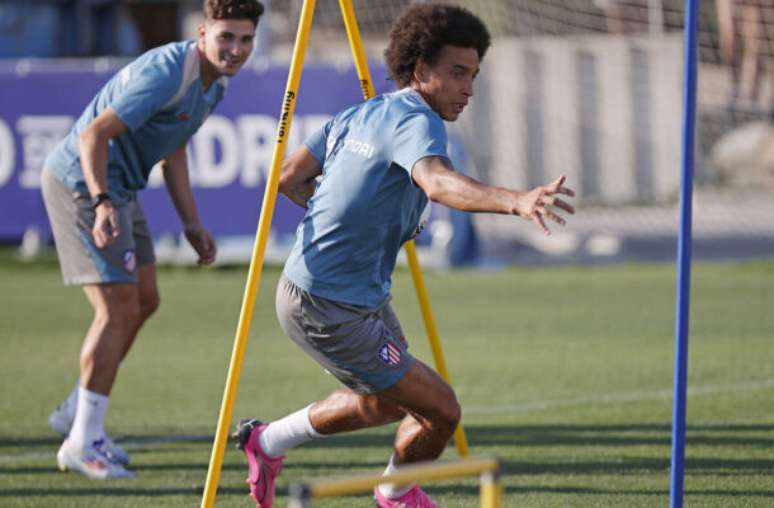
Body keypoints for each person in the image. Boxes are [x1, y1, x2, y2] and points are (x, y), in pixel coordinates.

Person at [234, 4, 574, 507]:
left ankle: (266, 441)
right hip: (326, 303)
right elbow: (436, 182)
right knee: (441, 408)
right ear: (420, 71)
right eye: (458, 73)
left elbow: (288, 177)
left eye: (474, 75)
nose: (469, 88)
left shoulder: (359, 113)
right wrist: (516, 200)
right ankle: (395, 496)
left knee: (388, 405)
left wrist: (345, 215)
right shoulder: (419, 119)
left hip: (343, 294)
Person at [41, 0, 264, 480]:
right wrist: (102, 202)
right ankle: (81, 440)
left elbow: (175, 150)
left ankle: (78, 410)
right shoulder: (169, 71)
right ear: (202, 32)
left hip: (119, 188)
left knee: (145, 300)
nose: (236, 49)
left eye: (246, 39)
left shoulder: (215, 84)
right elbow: (93, 136)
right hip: (84, 184)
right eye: (226, 37)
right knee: (116, 309)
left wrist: (192, 222)